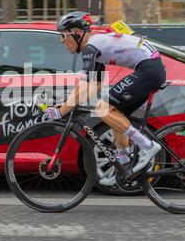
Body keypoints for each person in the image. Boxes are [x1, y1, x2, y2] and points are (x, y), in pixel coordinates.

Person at [44, 11, 167, 186]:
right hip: (151, 69)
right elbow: (96, 85)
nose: (62, 41)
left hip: (149, 70)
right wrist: (70, 101)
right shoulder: (97, 46)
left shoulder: (90, 47)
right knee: (115, 114)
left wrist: (61, 111)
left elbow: (86, 85)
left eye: (63, 36)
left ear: (77, 33)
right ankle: (125, 169)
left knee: (103, 109)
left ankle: (147, 146)